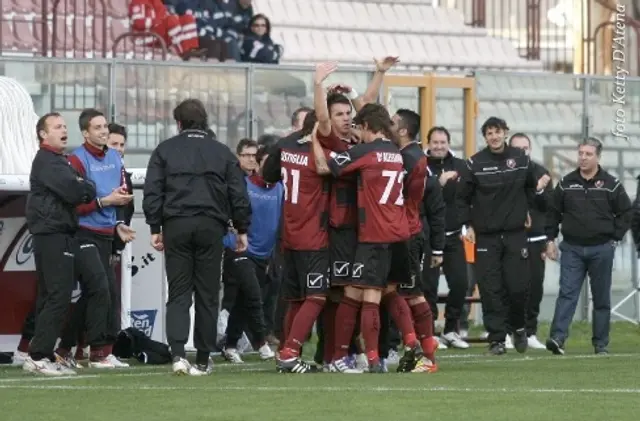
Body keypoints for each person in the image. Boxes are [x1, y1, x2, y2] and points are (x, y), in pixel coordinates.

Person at [143, 98, 251, 376]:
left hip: (176, 224)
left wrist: (155, 227)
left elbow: (153, 190)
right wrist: (241, 228)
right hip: (210, 226)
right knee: (207, 295)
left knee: (178, 292)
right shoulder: (223, 152)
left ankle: (178, 354)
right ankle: (203, 358)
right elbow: (238, 194)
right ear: (205, 122)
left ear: (178, 123)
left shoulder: (164, 150)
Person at [311, 103, 419, 373]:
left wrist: (314, 137)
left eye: (360, 127)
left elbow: (325, 167)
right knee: (391, 291)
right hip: (399, 233)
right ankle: (411, 339)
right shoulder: (395, 152)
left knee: (365, 295)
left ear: (368, 127)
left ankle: (370, 358)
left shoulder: (365, 151)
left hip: (375, 234)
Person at [456, 116, 551, 356]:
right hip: (486, 237)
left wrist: (527, 210)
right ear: (485, 137)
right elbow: (461, 198)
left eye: (497, 131)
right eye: (489, 133)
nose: (494, 136)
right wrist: (467, 225)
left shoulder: (521, 160)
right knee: (490, 289)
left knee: (518, 287)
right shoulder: (474, 163)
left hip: (515, 234)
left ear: (505, 133)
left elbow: (531, 189)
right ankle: (497, 339)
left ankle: (518, 327)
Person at [22, 112, 97, 376]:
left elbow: (84, 187)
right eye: (57, 126)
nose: (64, 130)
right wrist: (82, 185)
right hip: (53, 233)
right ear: (43, 134)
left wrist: (83, 185)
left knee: (51, 295)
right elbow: (78, 191)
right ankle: (39, 355)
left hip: (56, 232)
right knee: (58, 295)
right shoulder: (48, 161)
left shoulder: (57, 161)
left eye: (65, 126)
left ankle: (39, 353)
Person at [61, 109, 136, 369]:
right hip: (82, 233)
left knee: (99, 292)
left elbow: (121, 196)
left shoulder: (115, 157)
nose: (103, 131)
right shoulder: (77, 160)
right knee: (100, 288)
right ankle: (97, 353)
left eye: (105, 126)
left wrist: (117, 223)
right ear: (85, 133)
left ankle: (65, 347)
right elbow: (71, 206)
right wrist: (106, 202)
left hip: (106, 234)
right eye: (97, 127)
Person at [545, 137, 632, 355]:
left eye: (588, 154)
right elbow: (553, 213)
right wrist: (550, 241)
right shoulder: (566, 183)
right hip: (572, 248)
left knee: (601, 297)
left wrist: (615, 236)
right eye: (580, 153)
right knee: (567, 294)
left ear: (598, 157)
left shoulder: (612, 184)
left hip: (602, 248)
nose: (583, 158)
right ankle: (557, 338)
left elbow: (626, 212)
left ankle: (600, 343)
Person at [262, 113, 330, 374]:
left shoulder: (285, 145)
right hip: (314, 234)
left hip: (289, 233)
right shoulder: (322, 151)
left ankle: (284, 354)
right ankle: (291, 352)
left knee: (295, 298)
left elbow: (267, 174)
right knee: (316, 296)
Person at [221, 146, 280, 364]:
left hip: (265, 254)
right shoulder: (243, 185)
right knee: (254, 296)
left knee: (244, 301)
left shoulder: (280, 188)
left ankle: (230, 344)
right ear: (258, 163)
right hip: (239, 248)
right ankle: (261, 343)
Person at [423, 126, 470, 350]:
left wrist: (468, 224)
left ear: (449, 143)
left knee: (461, 283)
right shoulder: (421, 166)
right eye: (435, 142)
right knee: (428, 287)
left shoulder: (461, 166)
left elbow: (468, 198)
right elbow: (420, 200)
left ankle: (451, 329)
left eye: (443, 142)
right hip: (430, 238)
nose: (439, 146)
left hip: (453, 236)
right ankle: (428, 332)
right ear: (428, 143)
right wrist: (439, 184)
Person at [508, 133, 552, 349]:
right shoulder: (504, 171)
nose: (522, 152)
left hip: (535, 238)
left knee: (535, 286)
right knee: (511, 286)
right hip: (510, 237)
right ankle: (508, 332)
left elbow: (548, 207)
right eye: (517, 148)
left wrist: (541, 189)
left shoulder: (541, 172)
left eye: (525, 148)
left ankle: (530, 331)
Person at [129, 0, 201, 58]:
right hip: (144, 37)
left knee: (187, 18)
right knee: (170, 20)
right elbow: (139, 23)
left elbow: (164, 15)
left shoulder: (157, 1)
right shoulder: (138, 1)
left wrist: (173, 18)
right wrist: (159, 21)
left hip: (157, 34)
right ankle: (183, 51)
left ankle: (191, 48)